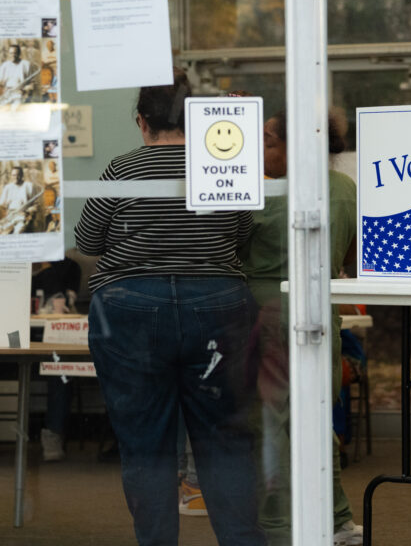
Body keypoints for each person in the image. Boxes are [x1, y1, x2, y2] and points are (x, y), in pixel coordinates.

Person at [75, 68, 266, 546]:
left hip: (129, 308)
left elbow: (86, 240)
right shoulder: (221, 166)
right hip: (218, 304)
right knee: (225, 441)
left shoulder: (119, 170)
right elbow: (241, 237)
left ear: (142, 122)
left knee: (145, 445)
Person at [239, 110, 363, 546]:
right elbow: (349, 261)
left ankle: (276, 525)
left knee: (270, 424)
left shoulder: (266, 194)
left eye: (268, 140)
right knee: (317, 419)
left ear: (295, 147)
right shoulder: (345, 189)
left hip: (266, 315)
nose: (260, 147)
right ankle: (336, 519)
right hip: (322, 313)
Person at [31, 258, 81, 461]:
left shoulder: (68, 267)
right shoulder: (11, 259)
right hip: (13, 334)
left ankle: (53, 433)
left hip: (51, 335)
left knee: (60, 369)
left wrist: (46, 269)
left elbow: (63, 306)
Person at [0, 165, 40, 234]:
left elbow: (36, 205)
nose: (16, 177)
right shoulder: (7, 187)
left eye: (18, 175)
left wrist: (28, 212)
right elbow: (2, 205)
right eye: (14, 175)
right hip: (10, 216)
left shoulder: (29, 186)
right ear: (11, 176)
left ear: (22, 175)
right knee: (3, 233)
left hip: (23, 216)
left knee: (18, 232)